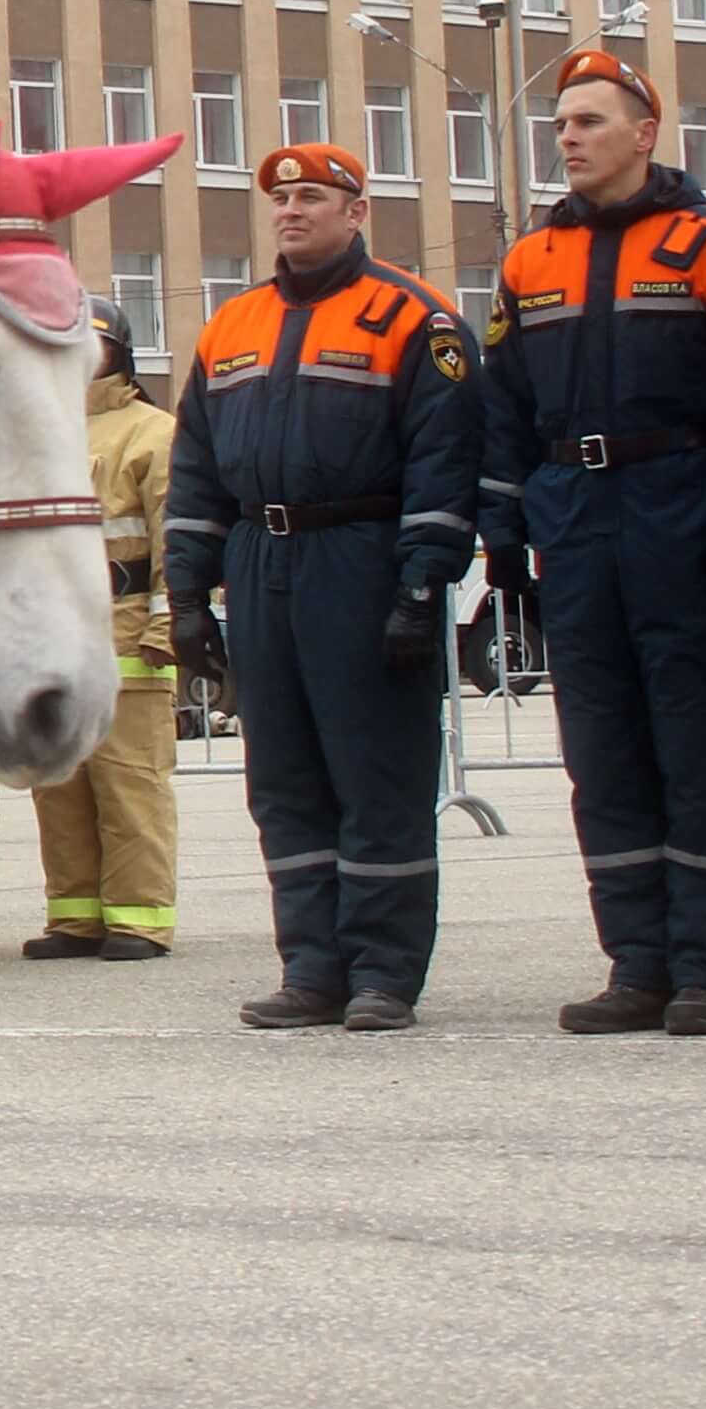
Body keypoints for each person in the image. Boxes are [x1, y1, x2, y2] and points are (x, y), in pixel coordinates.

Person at [477, 49, 706, 1034]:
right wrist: (503, 537)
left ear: (647, 134)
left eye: (589, 122)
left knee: (697, 745)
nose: (568, 138)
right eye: (562, 124)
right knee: (604, 752)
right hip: (576, 521)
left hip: (681, 515)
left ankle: (704, 971)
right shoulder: (530, 260)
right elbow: (504, 414)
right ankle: (636, 965)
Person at [171, 144, 474, 1032]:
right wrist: (188, 593)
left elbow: (444, 462)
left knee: (377, 772)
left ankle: (382, 970)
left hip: (361, 554)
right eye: (280, 197)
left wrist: (423, 584)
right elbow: (194, 471)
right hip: (265, 564)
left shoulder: (413, 317)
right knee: (286, 778)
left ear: (357, 211)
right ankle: (311, 966)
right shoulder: (233, 326)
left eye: (312, 196)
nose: (292, 210)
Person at [26, 296, 181, 961]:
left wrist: (168, 622)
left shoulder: (155, 432)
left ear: (120, 352)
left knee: (129, 782)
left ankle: (139, 916)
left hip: (124, 626)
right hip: (49, 633)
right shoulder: (32, 433)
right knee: (58, 783)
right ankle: (76, 915)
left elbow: (172, 535)